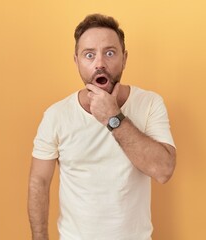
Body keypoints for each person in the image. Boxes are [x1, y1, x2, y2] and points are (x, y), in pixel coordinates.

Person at [28, 13, 176, 240]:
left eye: (110, 53)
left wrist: (113, 117)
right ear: (76, 61)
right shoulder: (56, 115)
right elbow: (39, 181)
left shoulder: (149, 104)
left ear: (124, 58)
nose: (100, 64)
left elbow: (163, 170)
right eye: (89, 55)